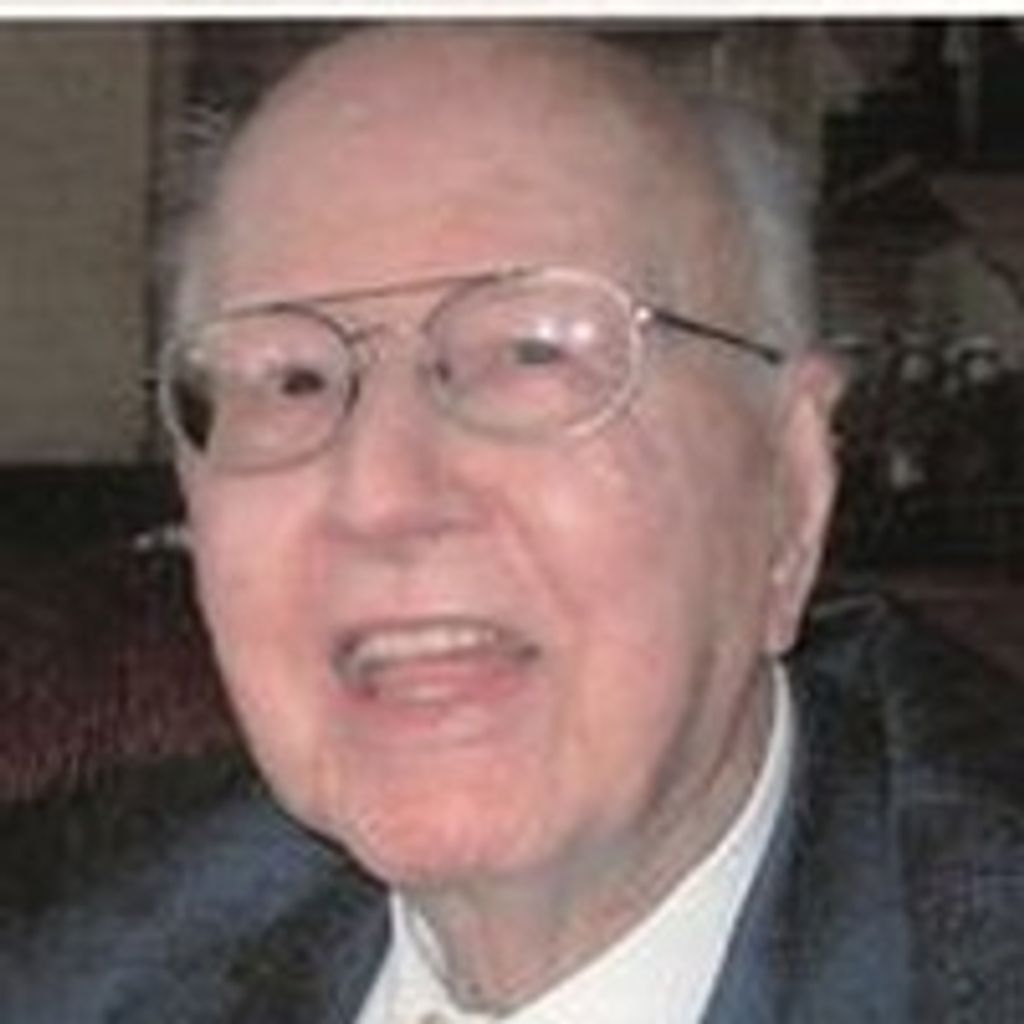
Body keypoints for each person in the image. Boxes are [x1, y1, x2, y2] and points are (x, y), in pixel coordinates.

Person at [3, 24, 1024, 1023]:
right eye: (293, 379)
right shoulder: (69, 954)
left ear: (790, 494)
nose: (381, 496)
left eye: (531, 354)